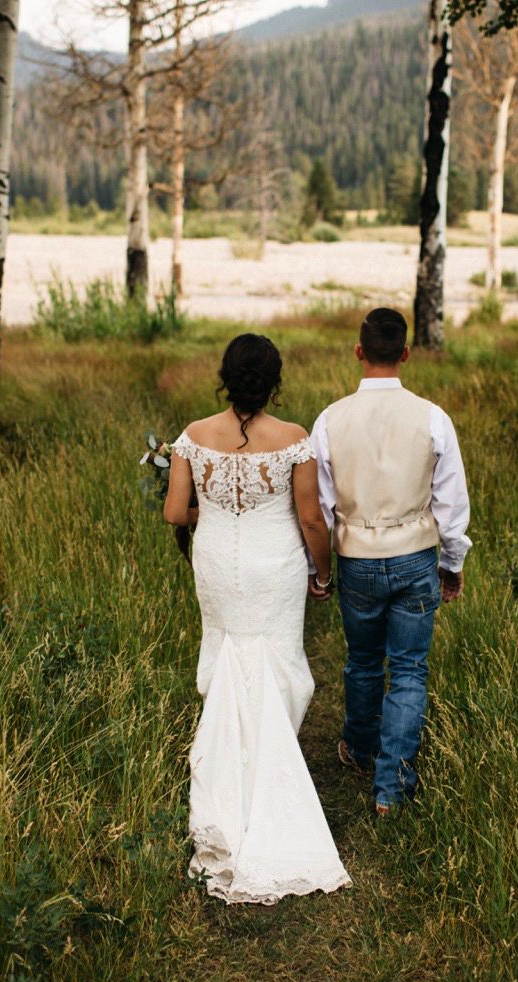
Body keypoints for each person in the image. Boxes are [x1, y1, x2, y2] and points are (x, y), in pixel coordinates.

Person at [164, 333, 351, 905]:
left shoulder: (193, 437)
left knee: (226, 653)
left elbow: (175, 511)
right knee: (276, 659)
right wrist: (323, 575)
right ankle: (269, 773)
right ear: (274, 382)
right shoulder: (293, 439)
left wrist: (214, 506)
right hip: (275, 568)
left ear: (225, 375)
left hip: (216, 562)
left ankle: (228, 782)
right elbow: (311, 520)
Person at [310, 308, 471, 816]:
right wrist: (453, 561)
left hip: (357, 558)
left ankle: (360, 750)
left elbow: (320, 503)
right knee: (407, 669)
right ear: (405, 353)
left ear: (359, 352)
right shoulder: (432, 417)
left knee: (362, 661)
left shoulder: (330, 419)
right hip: (415, 557)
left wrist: (322, 569)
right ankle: (392, 787)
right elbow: (451, 502)